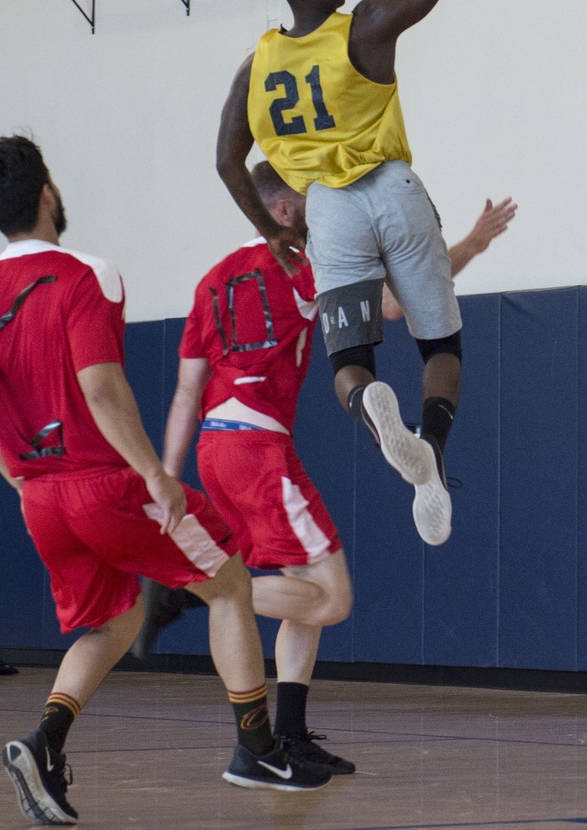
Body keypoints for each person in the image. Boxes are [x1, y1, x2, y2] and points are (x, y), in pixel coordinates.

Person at [0, 137, 332, 826]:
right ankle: (255, 748)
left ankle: (44, 743)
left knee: (115, 619)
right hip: (105, 484)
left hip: (40, 499)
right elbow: (100, 388)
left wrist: (20, 481)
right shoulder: (86, 273)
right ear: (48, 193)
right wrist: (153, 473)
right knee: (229, 583)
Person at [141, 163, 516, 771]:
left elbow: (187, 392)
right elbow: (396, 305)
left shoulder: (212, 282)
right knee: (331, 597)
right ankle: (192, 589)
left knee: (303, 597)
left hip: (215, 447)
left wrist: (167, 481)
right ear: (283, 212)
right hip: (258, 448)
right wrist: (470, 244)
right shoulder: (301, 261)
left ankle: (289, 734)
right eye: (308, 198)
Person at [215, 0, 528, 548]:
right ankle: (434, 451)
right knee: (440, 344)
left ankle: (381, 416)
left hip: (326, 210)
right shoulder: (364, 29)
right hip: (390, 188)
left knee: (349, 361)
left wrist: (274, 233)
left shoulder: (256, 67)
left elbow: (229, 163)